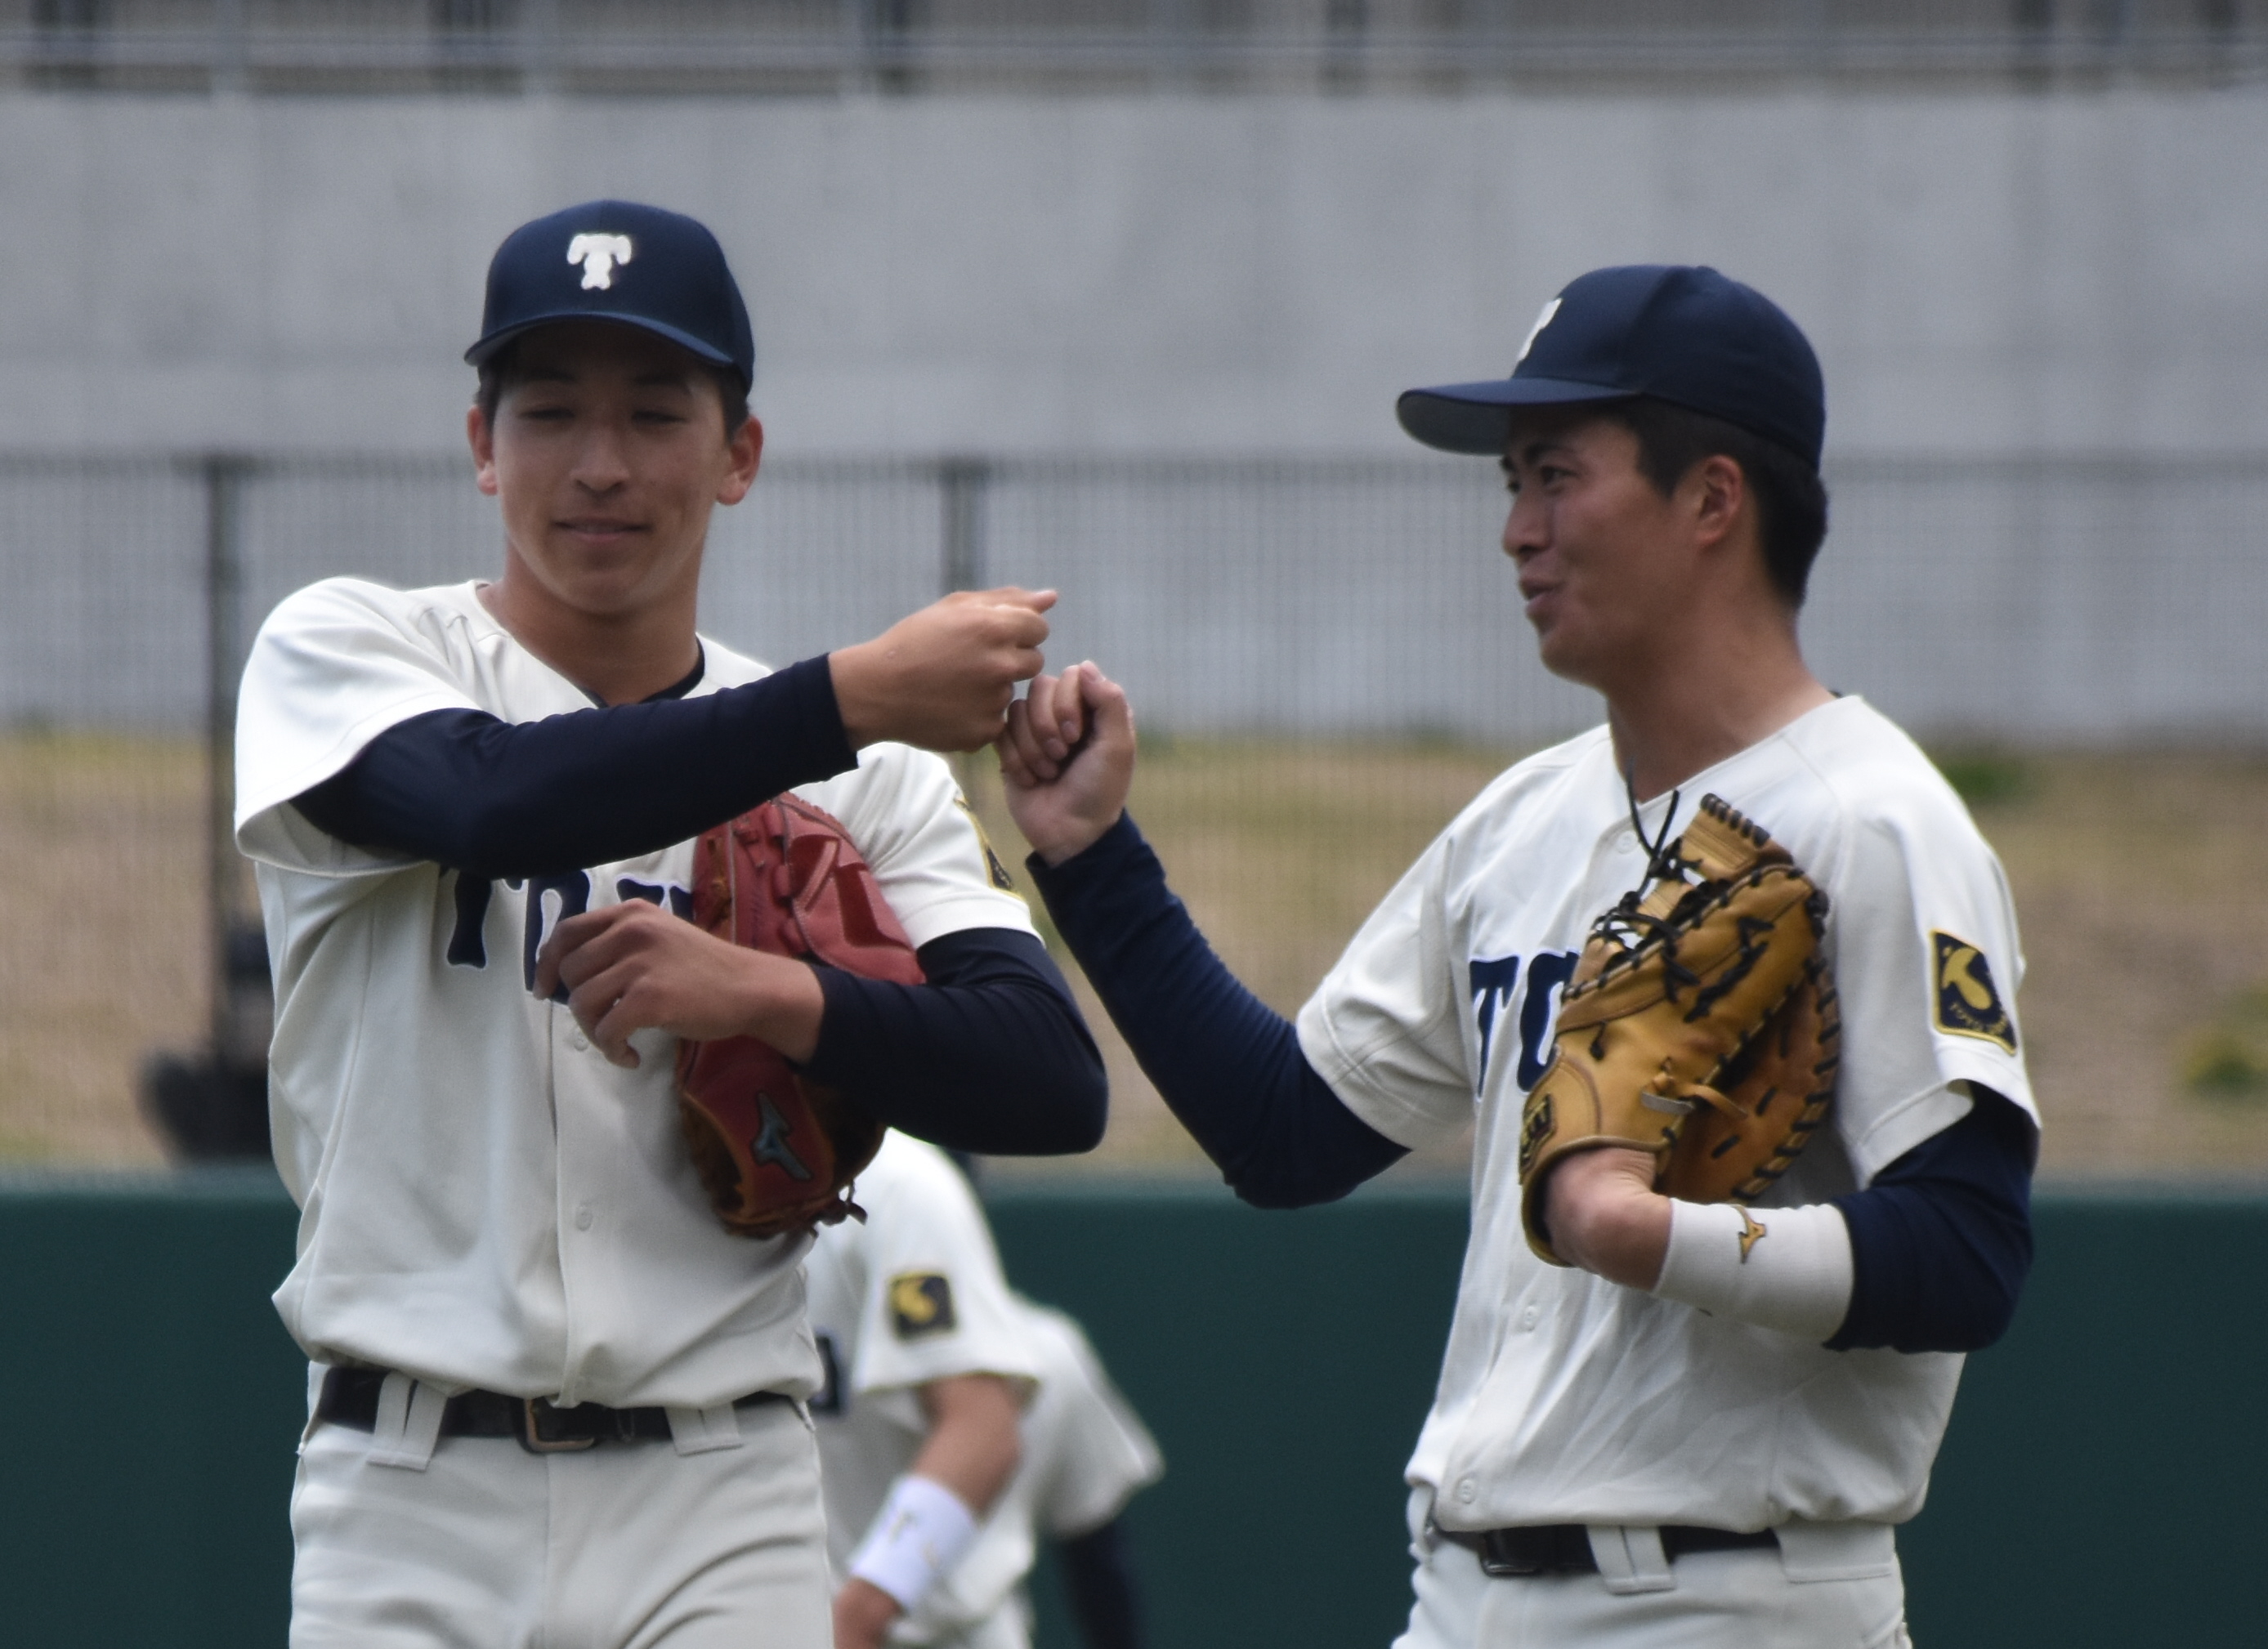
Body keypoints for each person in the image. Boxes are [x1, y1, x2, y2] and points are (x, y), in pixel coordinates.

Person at [995, 265, 2035, 1647]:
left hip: (1734, 1594)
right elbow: (1286, 1131)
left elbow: (1968, 1249)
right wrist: (1093, 855)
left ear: (1713, 500)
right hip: (1463, 1593)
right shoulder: (1526, 823)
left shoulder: (1878, 821)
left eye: (1556, 476)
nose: (1518, 532)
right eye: (1511, 486)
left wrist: (1644, 1228)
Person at [233, 199, 1107, 1648]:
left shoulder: (867, 776)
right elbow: (492, 801)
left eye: (654, 412)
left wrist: (779, 997)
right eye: (552, 410)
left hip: (725, 1492)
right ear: (480, 443)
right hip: (405, 1492)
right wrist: (843, 698)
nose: (600, 463)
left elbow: (1049, 1077)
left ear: (739, 454)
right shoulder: (351, 651)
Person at [805, 1132, 1162, 1649]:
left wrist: (857, 1617)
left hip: (955, 1633)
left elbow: (1097, 1554)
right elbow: (1101, 1564)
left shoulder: (1051, 1354)